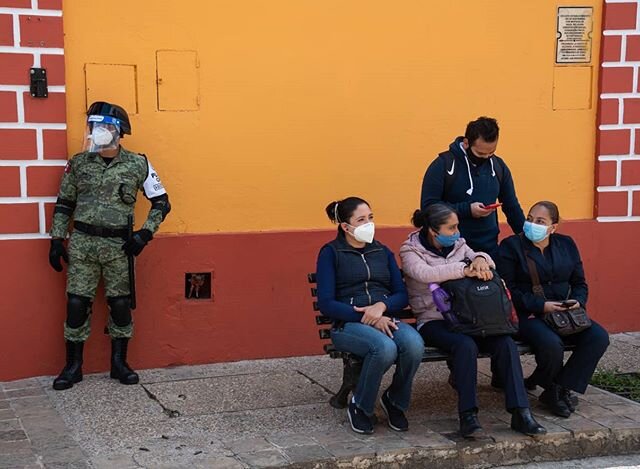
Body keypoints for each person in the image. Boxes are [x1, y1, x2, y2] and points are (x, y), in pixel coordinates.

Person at [48, 101, 171, 391]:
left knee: (120, 305)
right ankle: (73, 366)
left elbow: (162, 202)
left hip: (120, 247)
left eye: (103, 127)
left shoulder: (138, 164)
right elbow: (64, 204)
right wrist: (56, 239)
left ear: (118, 131)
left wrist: (144, 234)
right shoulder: (78, 163)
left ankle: (119, 363)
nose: (97, 132)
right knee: (77, 304)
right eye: (93, 127)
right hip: (83, 245)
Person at [399, 203, 546, 438]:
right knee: (465, 345)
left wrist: (479, 259)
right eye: (452, 228)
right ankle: (468, 415)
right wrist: (465, 269)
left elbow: (484, 257)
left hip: (470, 317)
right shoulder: (410, 250)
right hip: (434, 319)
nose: (457, 232)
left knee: (505, 343)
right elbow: (425, 275)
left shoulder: (459, 244)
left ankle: (521, 412)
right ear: (433, 230)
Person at [316, 197, 424, 435]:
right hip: (348, 323)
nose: (369, 224)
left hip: (385, 317)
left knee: (414, 344)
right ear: (346, 226)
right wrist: (369, 316)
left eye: (371, 218)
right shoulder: (331, 253)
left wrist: (381, 307)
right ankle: (360, 406)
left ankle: (395, 401)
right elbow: (326, 303)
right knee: (384, 348)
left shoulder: (381, 251)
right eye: (361, 220)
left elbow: (401, 295)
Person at [498, 201, 609, 418]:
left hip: (564, 313)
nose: (532, 224)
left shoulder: (566, 244)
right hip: (528, 314)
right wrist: (541, 305)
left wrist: (577, 301)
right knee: (551, 344)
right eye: (530, 219)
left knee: (598, 337)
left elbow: (579, 282)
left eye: (540, 221)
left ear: (553, 227)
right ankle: (550, 386)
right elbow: (507, 290)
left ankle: (557, 388)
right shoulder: (511, 246)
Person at [420, 116, 525, 260]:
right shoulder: (443, 165)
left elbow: (511, 206)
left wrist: (526, 239)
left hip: (489, 250)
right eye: (480, 153)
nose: (486, 158)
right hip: (450, 252)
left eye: (491, 152)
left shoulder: (499, 166)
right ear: (466, 143)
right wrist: (467, 210)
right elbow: (428, 208)